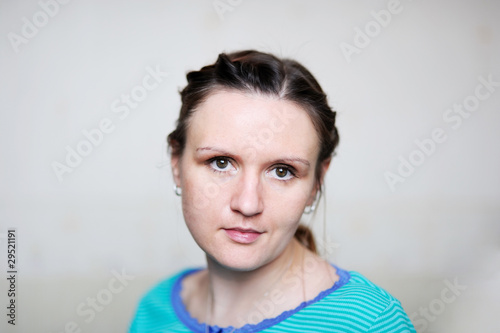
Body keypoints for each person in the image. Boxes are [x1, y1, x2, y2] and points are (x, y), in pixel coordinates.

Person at [129, 50, 416, 332]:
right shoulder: (154, 311)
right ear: (176, 165)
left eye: (282, 171)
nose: (248, 203)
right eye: (220, 162)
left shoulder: (370, 322)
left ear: (317, 182)